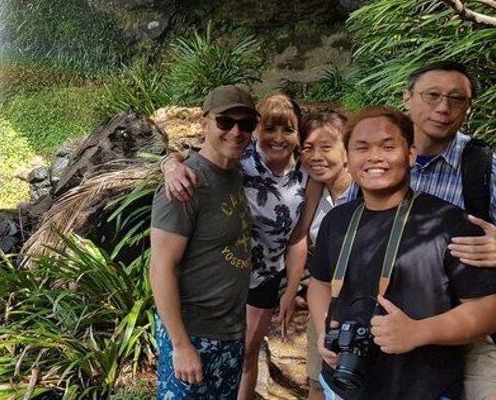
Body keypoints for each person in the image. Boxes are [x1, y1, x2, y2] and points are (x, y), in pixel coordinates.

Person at [307, 106, 496, 399]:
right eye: (362, 147)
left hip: (422, 386)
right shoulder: (337, 221)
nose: (374, 156)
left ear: (411, 154)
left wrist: (419, 331)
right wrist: (325, 328)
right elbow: (321, 282)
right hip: (346, 383)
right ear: (348, 159)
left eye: (388, 146)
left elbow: (493, 310)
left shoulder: (447, 223)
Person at [162, 94, 319, 400]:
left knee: (247, 353)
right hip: (224, 274)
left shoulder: (306, 175)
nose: (278, 138)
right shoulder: (241, 158)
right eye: (269, 128)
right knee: (213, 352)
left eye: (288, 130)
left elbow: (299, 236)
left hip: (266, 276)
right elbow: (193, 157)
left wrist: (290, 291)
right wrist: (169, 165)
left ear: (298, 134)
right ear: (257, 131)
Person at [402, 61, 496, 400]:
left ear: (469, 108)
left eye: (456, 99)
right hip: (386, 315)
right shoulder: (380, 157)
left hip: (466, 328)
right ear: (407, 98)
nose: (443, 108)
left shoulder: (486, 167)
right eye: (431, 95)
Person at [150, 85, 258, 399]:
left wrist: (170, 159)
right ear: (204, 124)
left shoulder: (234, 172)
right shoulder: (185, 186)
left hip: (230, 332)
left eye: (246, 125)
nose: (236, 132)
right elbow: (160, 268)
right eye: (225, 122)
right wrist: (181, 345)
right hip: (194, 334)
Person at [289, 111, 354, 400]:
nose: (316, 156)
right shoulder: (315, 186)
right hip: (325, 298)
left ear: (348, 151)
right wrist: (169, 162)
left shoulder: (367, 190)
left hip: (364, 303)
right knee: (316, 379)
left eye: (326, 147)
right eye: (308, 147)